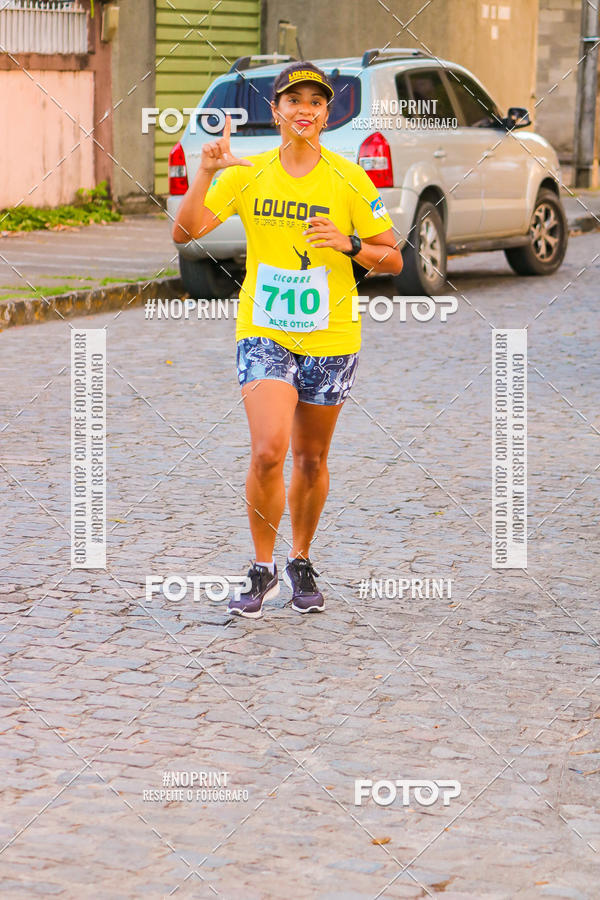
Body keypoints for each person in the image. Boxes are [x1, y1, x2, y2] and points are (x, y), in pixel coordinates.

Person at [173, 61, 403, 619]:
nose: (304, 109)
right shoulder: (248, 172)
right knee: (269, 450)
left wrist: (348, 244)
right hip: (266, 329)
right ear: (276, 111)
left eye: (315, 101)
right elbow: (185, 232)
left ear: (327, 114)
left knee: (312, 456)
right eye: (293, 99)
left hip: (332, 334)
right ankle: (262, 567)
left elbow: (393, 257)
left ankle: (301, 558)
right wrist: (204, 172)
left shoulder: (348, 178)